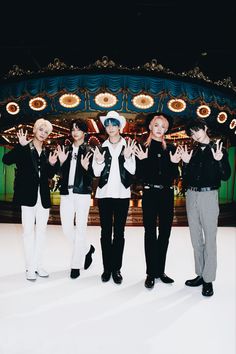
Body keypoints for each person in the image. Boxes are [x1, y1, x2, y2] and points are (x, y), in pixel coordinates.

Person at [2, 118, 58, 281]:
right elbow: (6, 160)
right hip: (27, 196)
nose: (43, 134)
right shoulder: (24, 147)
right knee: (28, 232)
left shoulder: (47, 152)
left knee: (41, 232)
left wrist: (53, 165)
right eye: (41, 129)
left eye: (46, 132)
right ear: (34, 130)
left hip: (43, 198)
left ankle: (38, 265)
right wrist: (20, 146)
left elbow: (47, 175)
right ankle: (30, 267)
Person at [181, 118, 231, 296]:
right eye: (192, 133)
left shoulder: (219, 149)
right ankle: (200, 274)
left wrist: (219, 160)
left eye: (197, 130)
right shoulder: (192, 152)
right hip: (191, 195)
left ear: (205, 128)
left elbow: (225, 176)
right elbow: (186, 179)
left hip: (209, 196)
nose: (195, 135)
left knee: (210, 239)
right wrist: (185, 164)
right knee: (196, 239)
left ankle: (208, 279)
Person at [134, 112, 182, 289]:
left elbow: (173, 176)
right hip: (150, 194)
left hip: (167, 195)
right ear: (150, 127)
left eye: (163, 126)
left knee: (165, 234)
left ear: (166, 130)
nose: (159, 129)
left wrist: (174, 164)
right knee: (150, 234)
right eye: (156, 125)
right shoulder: (142, 147)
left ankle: (160, 270)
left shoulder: (170, 148)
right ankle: (150, 272)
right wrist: (144, 161)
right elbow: (139, 176)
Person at [92, 110, 136, 284]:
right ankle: (106, 268)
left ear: (119, 126)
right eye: (108, 125)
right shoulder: (101, 147)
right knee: (105, 232)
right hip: (104, 195)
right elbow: (96, 172)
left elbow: (132, 171)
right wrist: (100, 161)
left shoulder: (128, 146)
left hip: (122, 195)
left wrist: (127, 158)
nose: (110, 128)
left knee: (119, 233)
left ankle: (116, 268)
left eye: (113, 124)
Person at [56, 119, 95, 279]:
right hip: (66, 194)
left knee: (80, 229)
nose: (75, 132)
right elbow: (59, 173)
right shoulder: (66, 149)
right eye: (72, 129)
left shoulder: (90, 150)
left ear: (84, 132)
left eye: (78, 129)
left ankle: (75, 265)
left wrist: (87, 169)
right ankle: (87, 249)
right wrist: (61, 162)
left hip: (82, 194)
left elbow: (93, 175)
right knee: (66, 229)